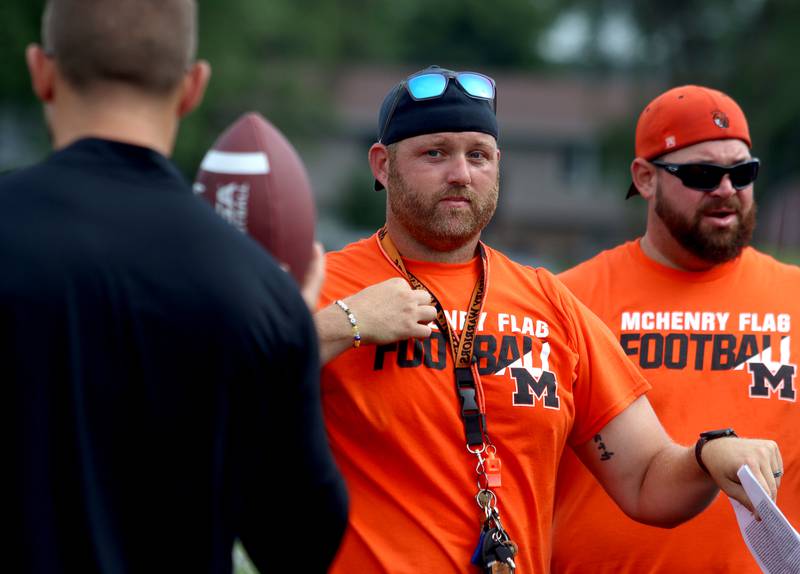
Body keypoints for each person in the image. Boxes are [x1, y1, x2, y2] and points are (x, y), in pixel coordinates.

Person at [313, 67, 783, 573]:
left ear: (498, 164)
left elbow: (646, 481)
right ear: (383, 166)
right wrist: (345, 322)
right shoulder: (322, 285)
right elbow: (224, 384)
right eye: (435, 153)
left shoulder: (549, 302)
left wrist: (709, 455)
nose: (461, 173)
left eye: (478, 155)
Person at [5, 1, 346, 572]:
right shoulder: (258, 291)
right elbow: (300, 545)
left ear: (41, 71)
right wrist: (291, 335)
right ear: (192, 87)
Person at [550, 85, 800, 573]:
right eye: (703, 173)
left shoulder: (795, 298)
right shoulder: (567, 300)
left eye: (742, 172)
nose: (726, 189)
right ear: (645, 178)